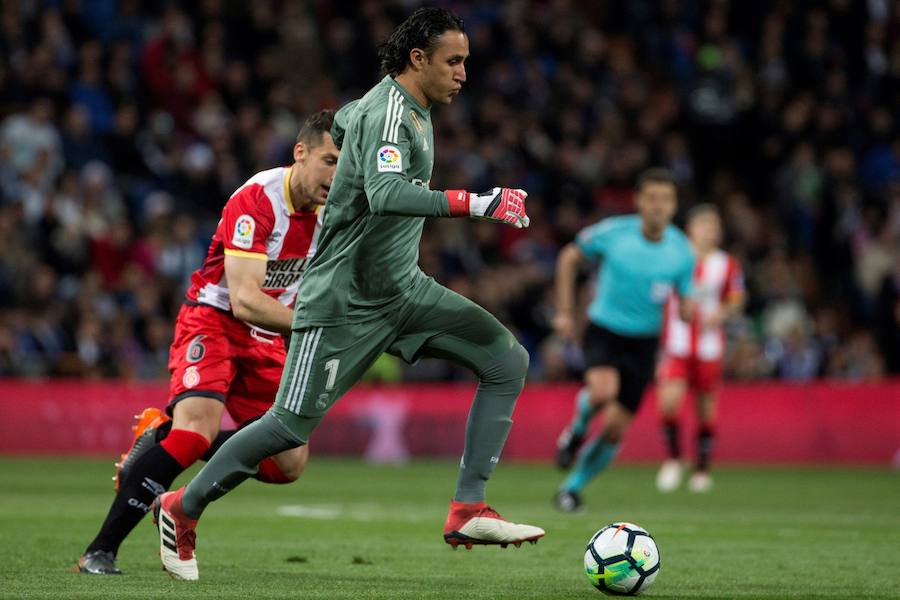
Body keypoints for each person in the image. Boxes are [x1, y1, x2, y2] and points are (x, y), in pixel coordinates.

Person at [151, 7, 543, 581]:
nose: (463, 73)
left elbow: (358, 153)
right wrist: (476, 203)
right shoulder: (389, 113)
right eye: (453, 61)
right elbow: (385, 193)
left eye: (465, 62)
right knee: (287, 431)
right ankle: (181, 508)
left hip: (403, 290)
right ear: (418, 59)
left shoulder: (399, 108)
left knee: (506, 359)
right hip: (343, 301)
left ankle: (467, 508)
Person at [76, 110, 339, 575]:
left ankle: (160, 439)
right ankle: (100, 551)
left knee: (289, 462)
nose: (334, 176)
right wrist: (313, 328)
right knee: (195, 431)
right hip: (214, 319)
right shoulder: (258, 199)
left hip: (269, 334)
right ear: (300, 152)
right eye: (329, 160)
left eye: (344, 166)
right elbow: (244, 301)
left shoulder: (335, 213)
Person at [552, 168, 695, 512]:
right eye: (652, 198)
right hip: (605, 330)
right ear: (639, 202)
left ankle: (570, 489)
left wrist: (693, 310)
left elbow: (686, 303)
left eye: (665, 199)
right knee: (602, 392)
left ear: (674, 205)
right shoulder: (614, 233)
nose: (658, 206)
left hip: (645, 342)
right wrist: (565, 312)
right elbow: (569, 257)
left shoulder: (682, 251)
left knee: (615, 430)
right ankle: (577, 428)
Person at [655, 204, 744, 493]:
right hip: (677, 344)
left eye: (714, 226)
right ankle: (673, 459)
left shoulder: (727, 264)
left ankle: (702, 468)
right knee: (669, 402)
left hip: (709, 347)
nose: (710, 231)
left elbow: (737, 298)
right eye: (704, 225)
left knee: (706, 409)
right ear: (690, 230)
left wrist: (723, 313)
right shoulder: (674, 259)